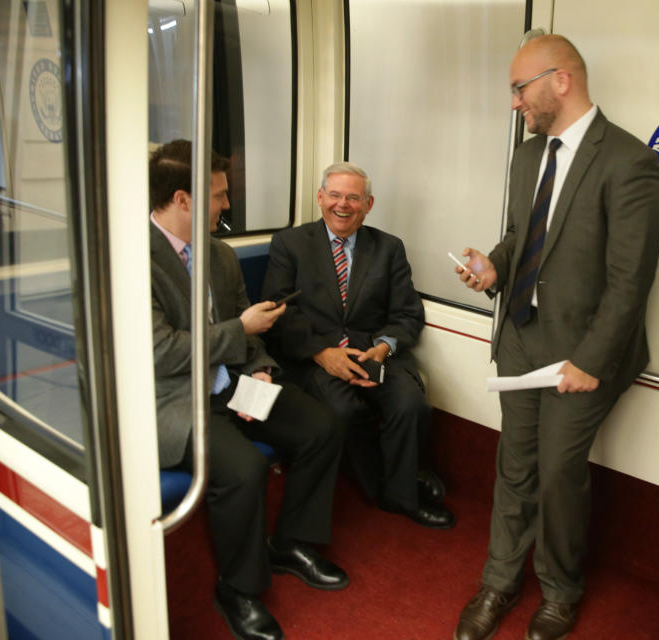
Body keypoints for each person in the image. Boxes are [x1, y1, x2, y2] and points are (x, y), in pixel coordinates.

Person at [452, 34, 659, 640]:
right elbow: (522, 234)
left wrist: (592, 359)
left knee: (558, 476)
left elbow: (632, 280)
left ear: (561, 81)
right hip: (520, 332)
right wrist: (494, 267)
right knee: (514, 466)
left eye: (520, 87)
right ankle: (499, 580)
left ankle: (562, 591)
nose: (514, 101)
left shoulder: (628, 161)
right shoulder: (527, 156)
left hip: (582, 348)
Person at [149, 140, 348, 640]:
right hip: (172, 399)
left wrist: (260, 367)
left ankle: (292, 542)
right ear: (183, 199)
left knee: (323, 425)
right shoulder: (132, 261)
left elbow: (250, 331)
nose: (227, 205)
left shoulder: (218, 253)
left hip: (231, 381)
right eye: (217, 194)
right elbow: (162, 352)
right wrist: (241, 330)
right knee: (243, 469)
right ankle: (237, 589)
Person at [261, 162, 455, 529]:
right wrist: (323, 353)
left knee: (410, 404)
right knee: (343, 411)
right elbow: (279, 313)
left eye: (353, 198)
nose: (343, 205)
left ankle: (402, 499)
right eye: (334, 195)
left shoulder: (389, 248)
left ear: (369, 204)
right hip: (317, 357)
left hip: (373, 354)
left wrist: (382, 348)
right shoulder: (290, 244)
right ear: (320, 198)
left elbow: (407, 313)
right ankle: (380, 488)